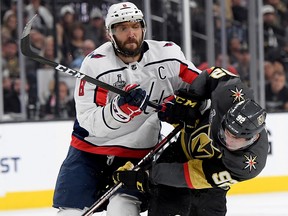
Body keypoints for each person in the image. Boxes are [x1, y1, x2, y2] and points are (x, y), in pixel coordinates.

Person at [52, 2, 201, 216]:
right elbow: (88, 121)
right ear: (110, 34)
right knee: (69, 213)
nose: (131, 33)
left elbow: (199, 87)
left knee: (122, 208)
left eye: (135, 26)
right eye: (122, 28)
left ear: (143, 28)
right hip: (89, 152)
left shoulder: (168, 56)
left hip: (137, 153)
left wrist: (185, 106)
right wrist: (120, 109)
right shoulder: (96, 65)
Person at [113, 67, 269, 216]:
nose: (227, 140)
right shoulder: (229, 95)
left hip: (208, 187)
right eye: (225, 132)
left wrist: (148, 175)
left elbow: (189, 175)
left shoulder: (247, 164)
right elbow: (211, 74)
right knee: (163, 203)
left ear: (252, 139)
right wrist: (192, 99)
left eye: (236, 139)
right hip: (180, 152)